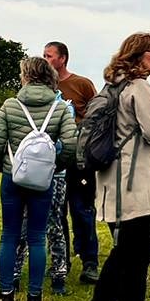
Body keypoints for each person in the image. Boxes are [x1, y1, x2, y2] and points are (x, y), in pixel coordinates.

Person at [80, 33, 150, 301]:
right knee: (138, 257)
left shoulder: (113, 85)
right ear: (139, 55)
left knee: (122, 253)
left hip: (110, 182)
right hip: (134, 184)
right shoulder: (139, 88)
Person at [0, 56, 78, 301]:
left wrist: (3, 165)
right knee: (38, 238)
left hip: (13, 176)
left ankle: (6, 295)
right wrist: (55, 166)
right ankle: (35, 299)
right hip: (43, 180)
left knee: (9, 235)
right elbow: (71, 145)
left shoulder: (10, 105)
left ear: (26, 76)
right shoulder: (60, 108)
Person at [44, 40, 101, 285]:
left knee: (82, 210)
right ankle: (61, 261)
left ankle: (90, 263)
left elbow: (98, 115)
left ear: (62, 58)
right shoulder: (45, 88)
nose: (45, 59)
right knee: (57, 214)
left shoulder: (81, 84)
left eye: (49, 56)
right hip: (55, 161)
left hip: (80, 160)